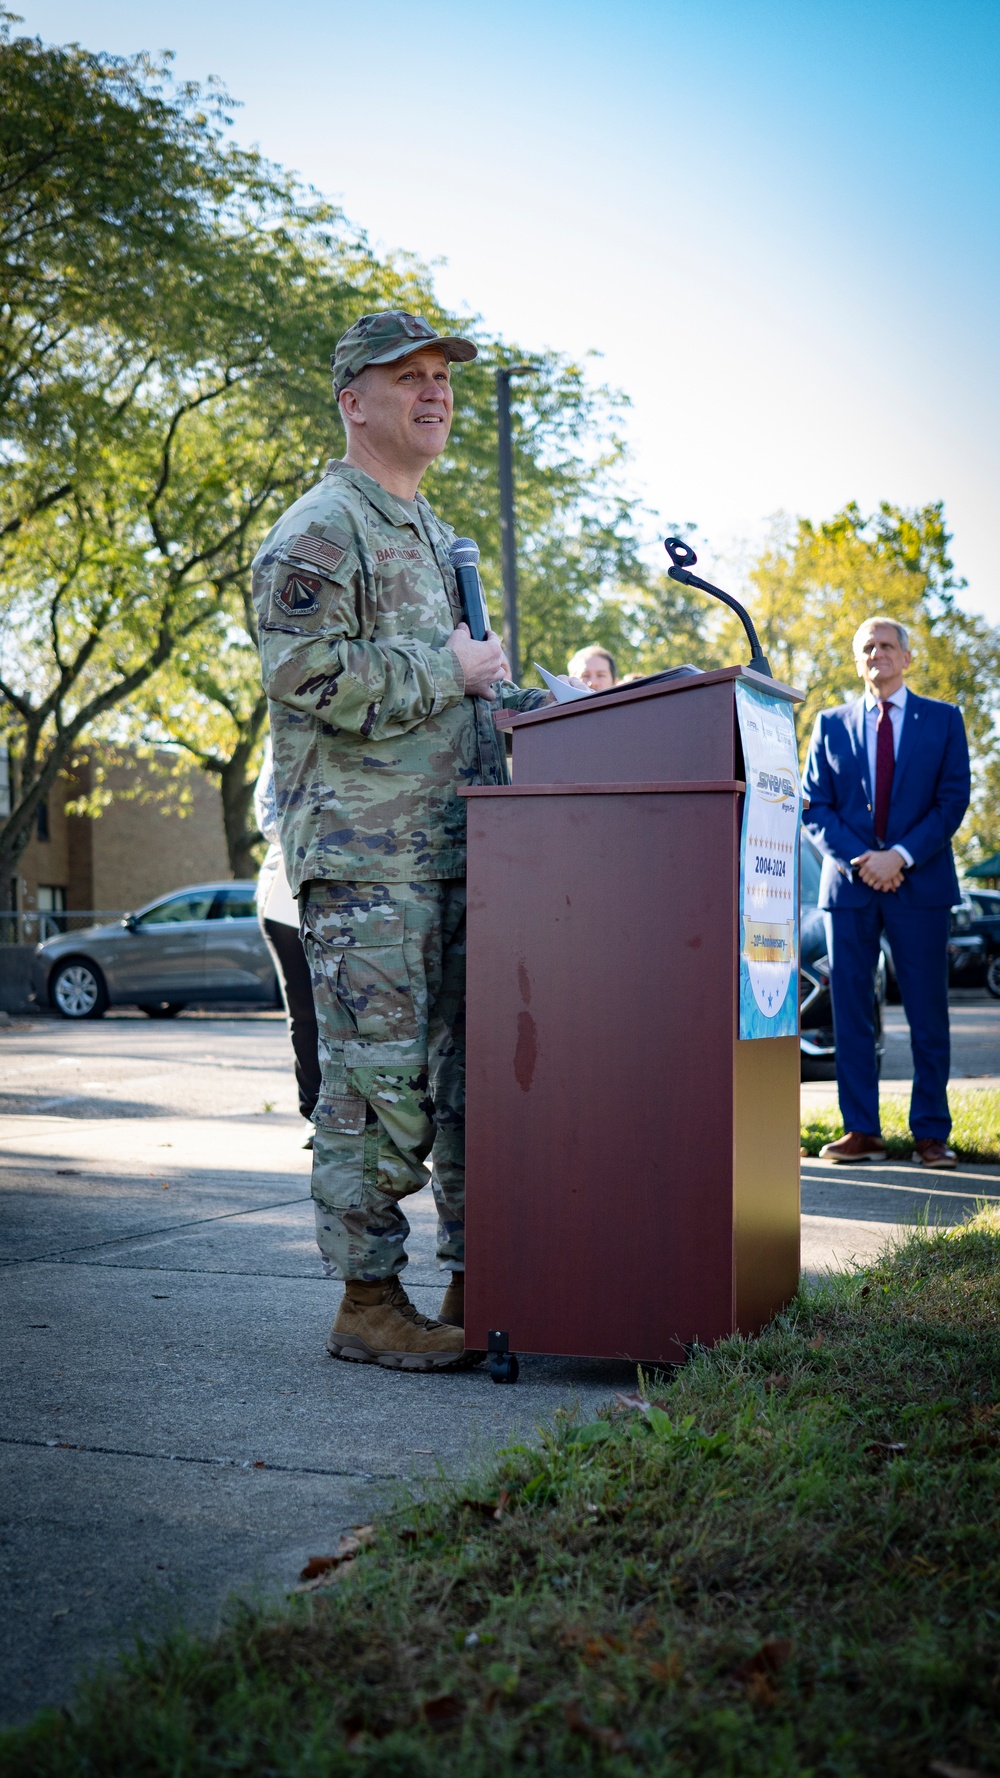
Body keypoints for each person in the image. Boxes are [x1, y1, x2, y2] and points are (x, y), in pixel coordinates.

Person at [252, 310, 548, 1371]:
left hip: (458, 850)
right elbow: (302, 673)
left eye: (442, 377)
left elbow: (451, 689)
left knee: (467, 1079)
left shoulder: (425, 530)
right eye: (407, 377)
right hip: (368, 864)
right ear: (352, 401)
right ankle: (369, 1300)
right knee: (379, 1081)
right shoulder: (322, 528)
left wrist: (512, 705)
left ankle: (482, 1276)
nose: (434, 392)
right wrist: (451, 674)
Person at [802, 617, 970, 1168]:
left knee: (927, 1012)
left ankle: (930, 1134)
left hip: (919, 886)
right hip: (849, 889)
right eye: (867, 647)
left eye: (887, 645)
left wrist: (898, 856)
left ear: (906, 657)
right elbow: (815, 807)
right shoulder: (829, 724)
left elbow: (951, 801)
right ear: (859, 661)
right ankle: (862, 1131)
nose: (877, 654)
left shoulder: (944, 721)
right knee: (851, 1014)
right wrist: (863, 859)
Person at [254, 740, 321, 1141]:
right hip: (286, 891)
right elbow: (269, 817)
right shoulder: (283, 738)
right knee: (306, 1008)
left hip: (350, 890)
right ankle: (316, 1113)